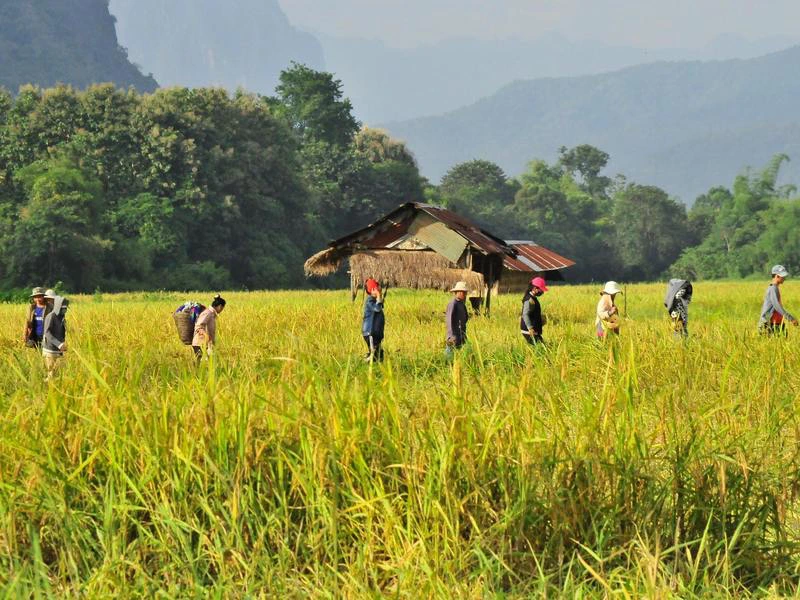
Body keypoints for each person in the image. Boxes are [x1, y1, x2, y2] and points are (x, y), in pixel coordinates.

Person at [759, 265, 798, 336]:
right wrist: (791, 319)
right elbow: (777, 306)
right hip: (769, 324)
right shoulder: (773, 289)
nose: (784, 278)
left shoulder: (775, 288)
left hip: (777, 322)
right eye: (782, 276)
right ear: (777, 276)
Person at [41, 289, 68, 379]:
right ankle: (49, 390)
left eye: (65, 308)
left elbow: (63, 330)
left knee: (58, 373)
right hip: (50, 349)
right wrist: (59, 344)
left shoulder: (61, 317)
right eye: (62, 308)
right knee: (51, 373)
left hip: (59, 349)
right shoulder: (50, 316)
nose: (64, 310)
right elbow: (47, 332)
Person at [192, 295, 226, 362]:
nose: (222, 310)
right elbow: (199, 326)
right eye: (222, 308)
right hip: (200, 343)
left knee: (207, 363)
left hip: (206, 344)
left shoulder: (212, 314)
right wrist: (207, 336)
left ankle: (196, 371)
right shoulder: (208, 313)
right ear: (219, 306)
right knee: (205, 363)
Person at [361, 278, 385, 362]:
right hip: (370, 333)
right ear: (373, 290)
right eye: (377, 288)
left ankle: (376, 365)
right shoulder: (370, 300)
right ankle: (366, 361)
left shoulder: (375, 300)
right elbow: (377, 308)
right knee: (374, 353)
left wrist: (379, 297)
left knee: (379, 354)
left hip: (376, 333)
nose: (379, 289)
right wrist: (378, 296)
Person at [520, 276, 548, 345]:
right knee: (542, 350)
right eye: (541, 290)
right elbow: (525, 314)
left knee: (542, 348)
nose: (542, 292)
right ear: (535, 288)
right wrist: (530, 328)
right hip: (530, 331)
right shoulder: (529, 300)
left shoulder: (533, 298)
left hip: (533, 331)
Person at [445, 281, 470, 355]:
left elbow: (466, 318)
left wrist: (463, 333)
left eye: (465, 293)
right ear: (458, 292)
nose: (465, 295)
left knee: (459, 355)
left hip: (461, 335)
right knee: (449, 355)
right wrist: (452, 336)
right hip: (453, 336)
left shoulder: (462, 304)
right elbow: (449, 321)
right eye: (463, 292)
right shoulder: (453, 304)